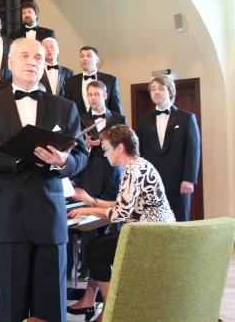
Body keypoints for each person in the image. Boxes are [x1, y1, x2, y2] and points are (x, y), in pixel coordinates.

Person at [0, 37, 87, 322]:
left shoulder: (64, 107)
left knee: (52, 307)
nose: (32, 62)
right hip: (8, 216)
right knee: (11, 307)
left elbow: (81, 156)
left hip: (49, 215)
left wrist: (63, 161)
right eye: (24, 56)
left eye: (38, 58)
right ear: (9, 62)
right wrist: (14, 157)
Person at [67, 125, 175, 321]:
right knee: (98, 247)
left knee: (95, 249)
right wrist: (91, 201)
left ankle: (111, 310)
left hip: (152, 236)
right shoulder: (139, 165)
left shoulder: (133, 170)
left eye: (107, 149)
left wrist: (87, 209)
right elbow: (124, 205)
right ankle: (93, 301)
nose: (105, 154)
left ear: (120, 148)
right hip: (156, 232)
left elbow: (120, 213)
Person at [136, 75, 200, 222]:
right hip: (152, 184)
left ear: (170, 91)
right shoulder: (143, 121)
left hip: (179, 183)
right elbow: (139, 153)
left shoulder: (186, 118)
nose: (156, 92)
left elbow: (193, 150)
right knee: (155, 225)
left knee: (180, 224)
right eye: (153, 89)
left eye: (161, 88)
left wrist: (189, 179)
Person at [63, 46, 122, 114]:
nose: (85, 59)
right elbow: (67, 109)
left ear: (97, 59)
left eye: (89, 56)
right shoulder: (70, 82)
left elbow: (116, 109)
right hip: (78, 121)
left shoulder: (111, 80)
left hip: (105, 120)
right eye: (82, 56)